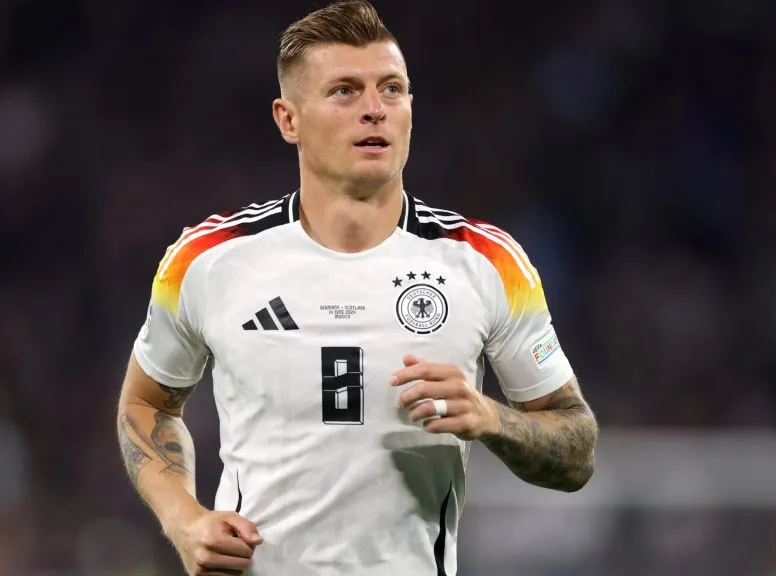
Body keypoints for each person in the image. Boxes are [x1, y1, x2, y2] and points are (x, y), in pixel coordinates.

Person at [116, 1, 598, 574]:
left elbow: (577, 447)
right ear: (287, 119)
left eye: (392, 89)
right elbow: (145, 403)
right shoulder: (208, 259)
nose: (374, 110)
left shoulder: (486, 262)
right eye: (345, 91)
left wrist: (493, 418)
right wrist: (184, 519)